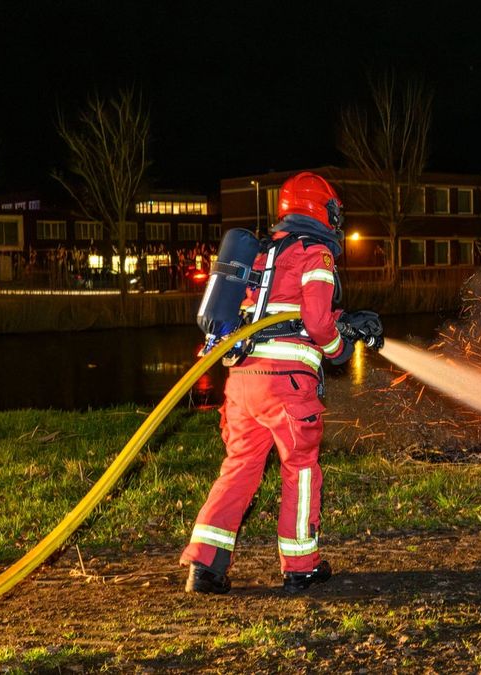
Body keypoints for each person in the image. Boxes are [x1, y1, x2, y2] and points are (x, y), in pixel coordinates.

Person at [181, 171, 362, 595]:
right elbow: (315, 320)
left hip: (243, 381)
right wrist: (339, 348)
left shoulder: (262, 252)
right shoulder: (316, 253)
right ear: (322, 210)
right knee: (300, 468)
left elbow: (278, 310)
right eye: (334, 211)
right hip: (287, 385)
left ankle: (205, 566)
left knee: (239, 467)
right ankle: (301, 567)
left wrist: (346, 322)